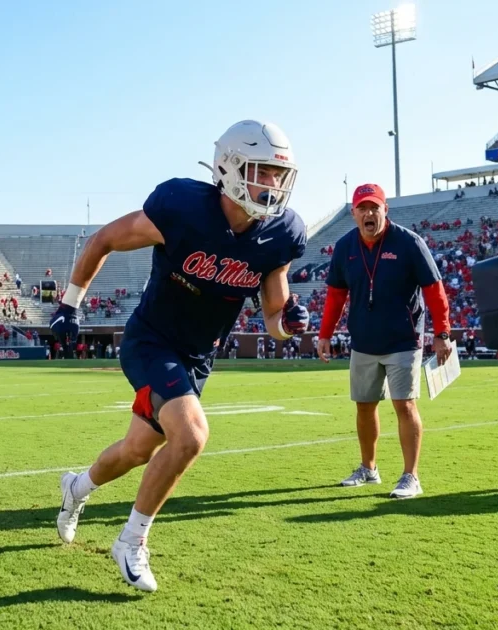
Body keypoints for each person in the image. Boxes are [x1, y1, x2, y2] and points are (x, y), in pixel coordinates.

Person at [50, 120, 308, 592]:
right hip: (151, 340)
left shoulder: (281, 234)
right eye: (263, 171)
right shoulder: (184, 208)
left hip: (197, 357)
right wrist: (69, 303)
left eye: (278, 174)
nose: (272, 184)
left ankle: (76, 488)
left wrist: (288, 325)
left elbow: (273, 315)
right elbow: (104, 238)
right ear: (230, 168)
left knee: (135, 451)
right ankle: (131, 541)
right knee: (190, 436)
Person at [316, 183, 451, 500]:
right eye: (362, 208)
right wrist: (324, 334)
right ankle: (369, 468)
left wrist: (443, 333)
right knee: (364, 406)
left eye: (374, 207)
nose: (368, 213)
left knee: (404, 405)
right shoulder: (345, 247)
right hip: (363, 341)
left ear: (385, 210)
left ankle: (411, 476)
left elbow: (434, 289)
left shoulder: (408, 243)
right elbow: (336, 295)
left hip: (403, 339)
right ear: (353, 214)